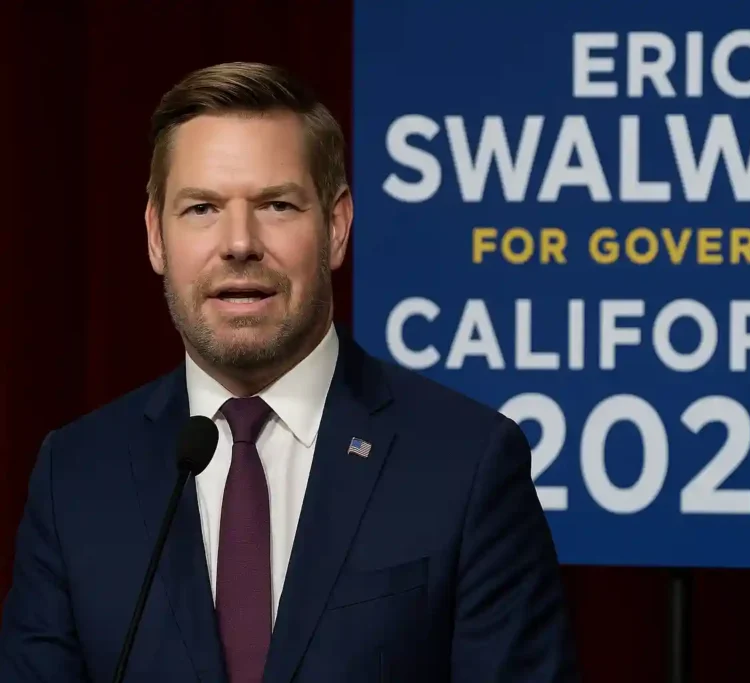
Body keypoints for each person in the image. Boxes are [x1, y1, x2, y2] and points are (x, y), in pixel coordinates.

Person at [0, 62, 578, 682]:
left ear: (335, 227)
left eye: (276, 205)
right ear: (155, 236)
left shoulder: (466, 463)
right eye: (201, 208)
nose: (239, 242)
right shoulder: (77, 475)